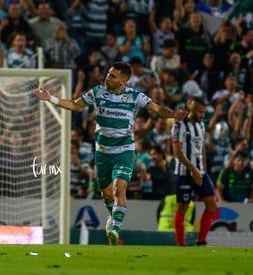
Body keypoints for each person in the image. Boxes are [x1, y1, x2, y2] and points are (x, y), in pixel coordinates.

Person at [32, 61, 187, 245]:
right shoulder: (97, 92)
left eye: (113, 75)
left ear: (123, 80)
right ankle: (112, 217)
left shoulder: (134, 96)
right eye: (108, 73)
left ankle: (114, 227)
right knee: (106, 195)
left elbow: (157, 108)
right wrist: (51, 98)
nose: (107, 77)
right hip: (103, 153)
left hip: (124, 150)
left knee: (118, 190)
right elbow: (74, 105)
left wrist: (172, 115)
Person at [171, 96, 217, 246]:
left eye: (204, 112)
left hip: (201, 172)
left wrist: (202, 168)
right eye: (200, 112)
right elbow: (177, 152)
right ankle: (180, 244)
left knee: (211, 205)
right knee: (183, 207)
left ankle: (201, 241)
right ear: (191, 108)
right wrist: (194, 170)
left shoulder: (201, 125)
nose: (202, 115)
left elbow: (201, 147)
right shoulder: (179, 125)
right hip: (184, 173)